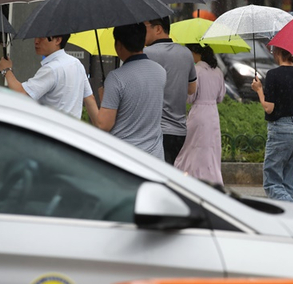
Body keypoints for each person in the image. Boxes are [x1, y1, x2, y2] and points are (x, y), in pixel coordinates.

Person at [251, 46, 293, 202]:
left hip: (281, 129)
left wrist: (259, 90)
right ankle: (288, 219)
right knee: (288, 184)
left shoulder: (273, 75)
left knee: (271, 183)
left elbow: (269, 108)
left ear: (278, 53)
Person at [97, 23, 166, 160]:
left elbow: (104, 125)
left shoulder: (115, 78)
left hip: (125, 158)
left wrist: (100, 99)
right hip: (155, 157)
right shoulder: (160, 71)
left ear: (119, 45)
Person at [0, 34, 98, 124]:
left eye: (42, 37)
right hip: (72, 134)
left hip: (53, 134)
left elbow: (22, 93)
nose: (36, 41)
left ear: (58, 40)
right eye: (36, 36)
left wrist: (6, 70)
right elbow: (89, 98)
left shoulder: (51, 69)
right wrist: (100, 127)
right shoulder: (76, 63)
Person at [144, 16, 197, 165]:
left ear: (158, 28)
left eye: (145, 27)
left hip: (155, 131)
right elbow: (192, 89)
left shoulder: (146, 54)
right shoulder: (186, 53)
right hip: (179, 131)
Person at [175, 44, 226, 184]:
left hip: (199, 112)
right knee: (211, 148)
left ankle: (193, 176)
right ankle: (211, 177)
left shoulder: (196, 70)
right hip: (213, 113)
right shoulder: (218, 72)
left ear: (195, 53)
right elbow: (221, 97)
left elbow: (190, 97)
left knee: (193, 147)